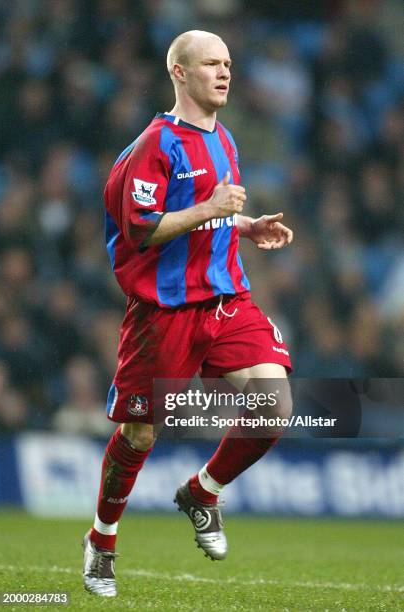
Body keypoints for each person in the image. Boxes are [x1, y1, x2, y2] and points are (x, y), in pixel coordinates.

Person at [83, 30, 294, 597]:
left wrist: (245, 226)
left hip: (227, 299)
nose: (224, 73)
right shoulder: (156, 144)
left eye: (228, 63)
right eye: (210, 64)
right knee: (140, 434)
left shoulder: (223, 138)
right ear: (179, 72)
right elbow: (142, 229)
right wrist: (213, 206)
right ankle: (102, 541)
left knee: (273, 409)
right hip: (164, 312)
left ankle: (202, 492)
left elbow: (207, 217)